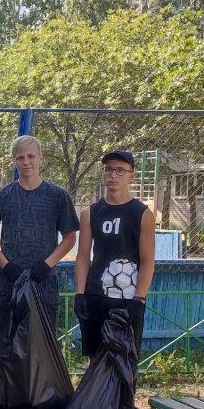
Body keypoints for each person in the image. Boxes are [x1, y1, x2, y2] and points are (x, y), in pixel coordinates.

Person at [0, 135, 79, 409]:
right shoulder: (1, 196)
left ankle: (49, 404)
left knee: (44, 340)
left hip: (42, 280)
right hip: (9, 279)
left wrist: (46, 265)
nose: (25, 162)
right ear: (14, 161)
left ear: (40, 159)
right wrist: (6, 265)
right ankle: (1, 402)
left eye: (30, 157)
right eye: (20, 158)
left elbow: (70, 237)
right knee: (5, 338)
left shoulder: (57, 195)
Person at [74, 150, 154, 359]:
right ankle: (96, 393)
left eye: (120, 170)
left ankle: (124, 394)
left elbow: (147, 260)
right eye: (109, 169)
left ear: (131, 175)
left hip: (128, 300)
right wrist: (80, 294)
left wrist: (139, 299)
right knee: (96, 359)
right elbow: (83, 256)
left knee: (125, 359)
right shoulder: (89, 213)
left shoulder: (142, 214)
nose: (113, 175)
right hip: (96, 296)